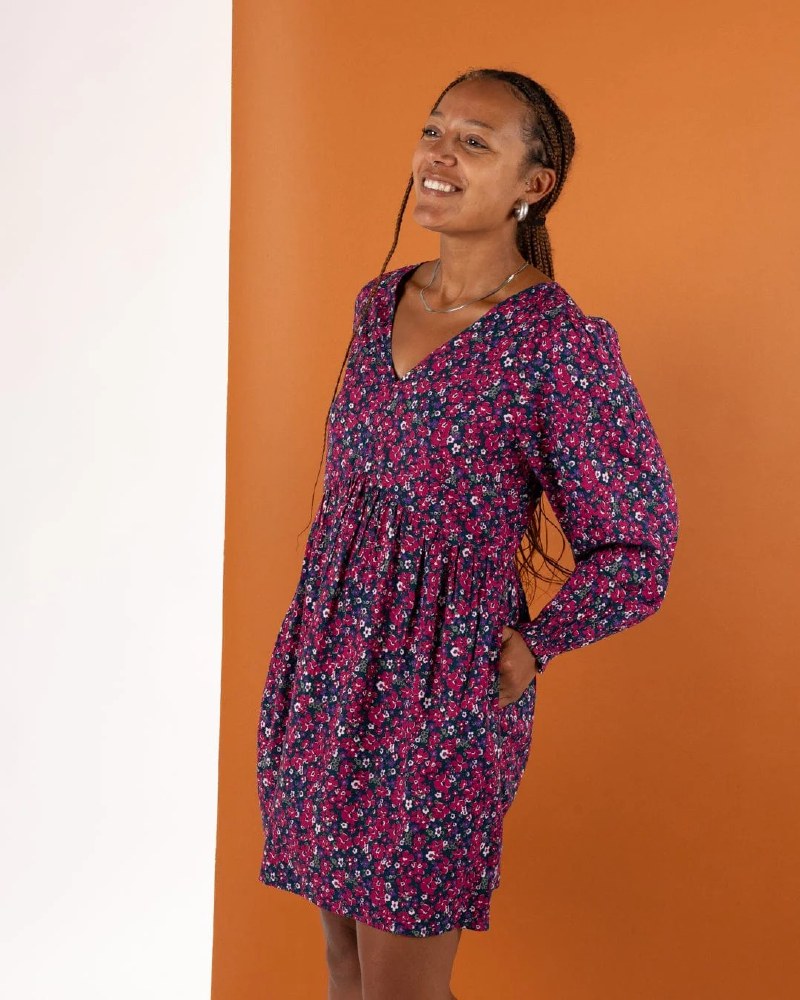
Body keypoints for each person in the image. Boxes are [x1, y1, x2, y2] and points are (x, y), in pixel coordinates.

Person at [256, 67, 679, 1000]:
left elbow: (638, 544)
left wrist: (534, 646)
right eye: (434, 130)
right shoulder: (380, 302)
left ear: (535, 184)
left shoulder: (558, 344)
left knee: (401, 988)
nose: (438, 155)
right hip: (326, 665)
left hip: (442, 687)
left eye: (474, 142)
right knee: (344, 967)